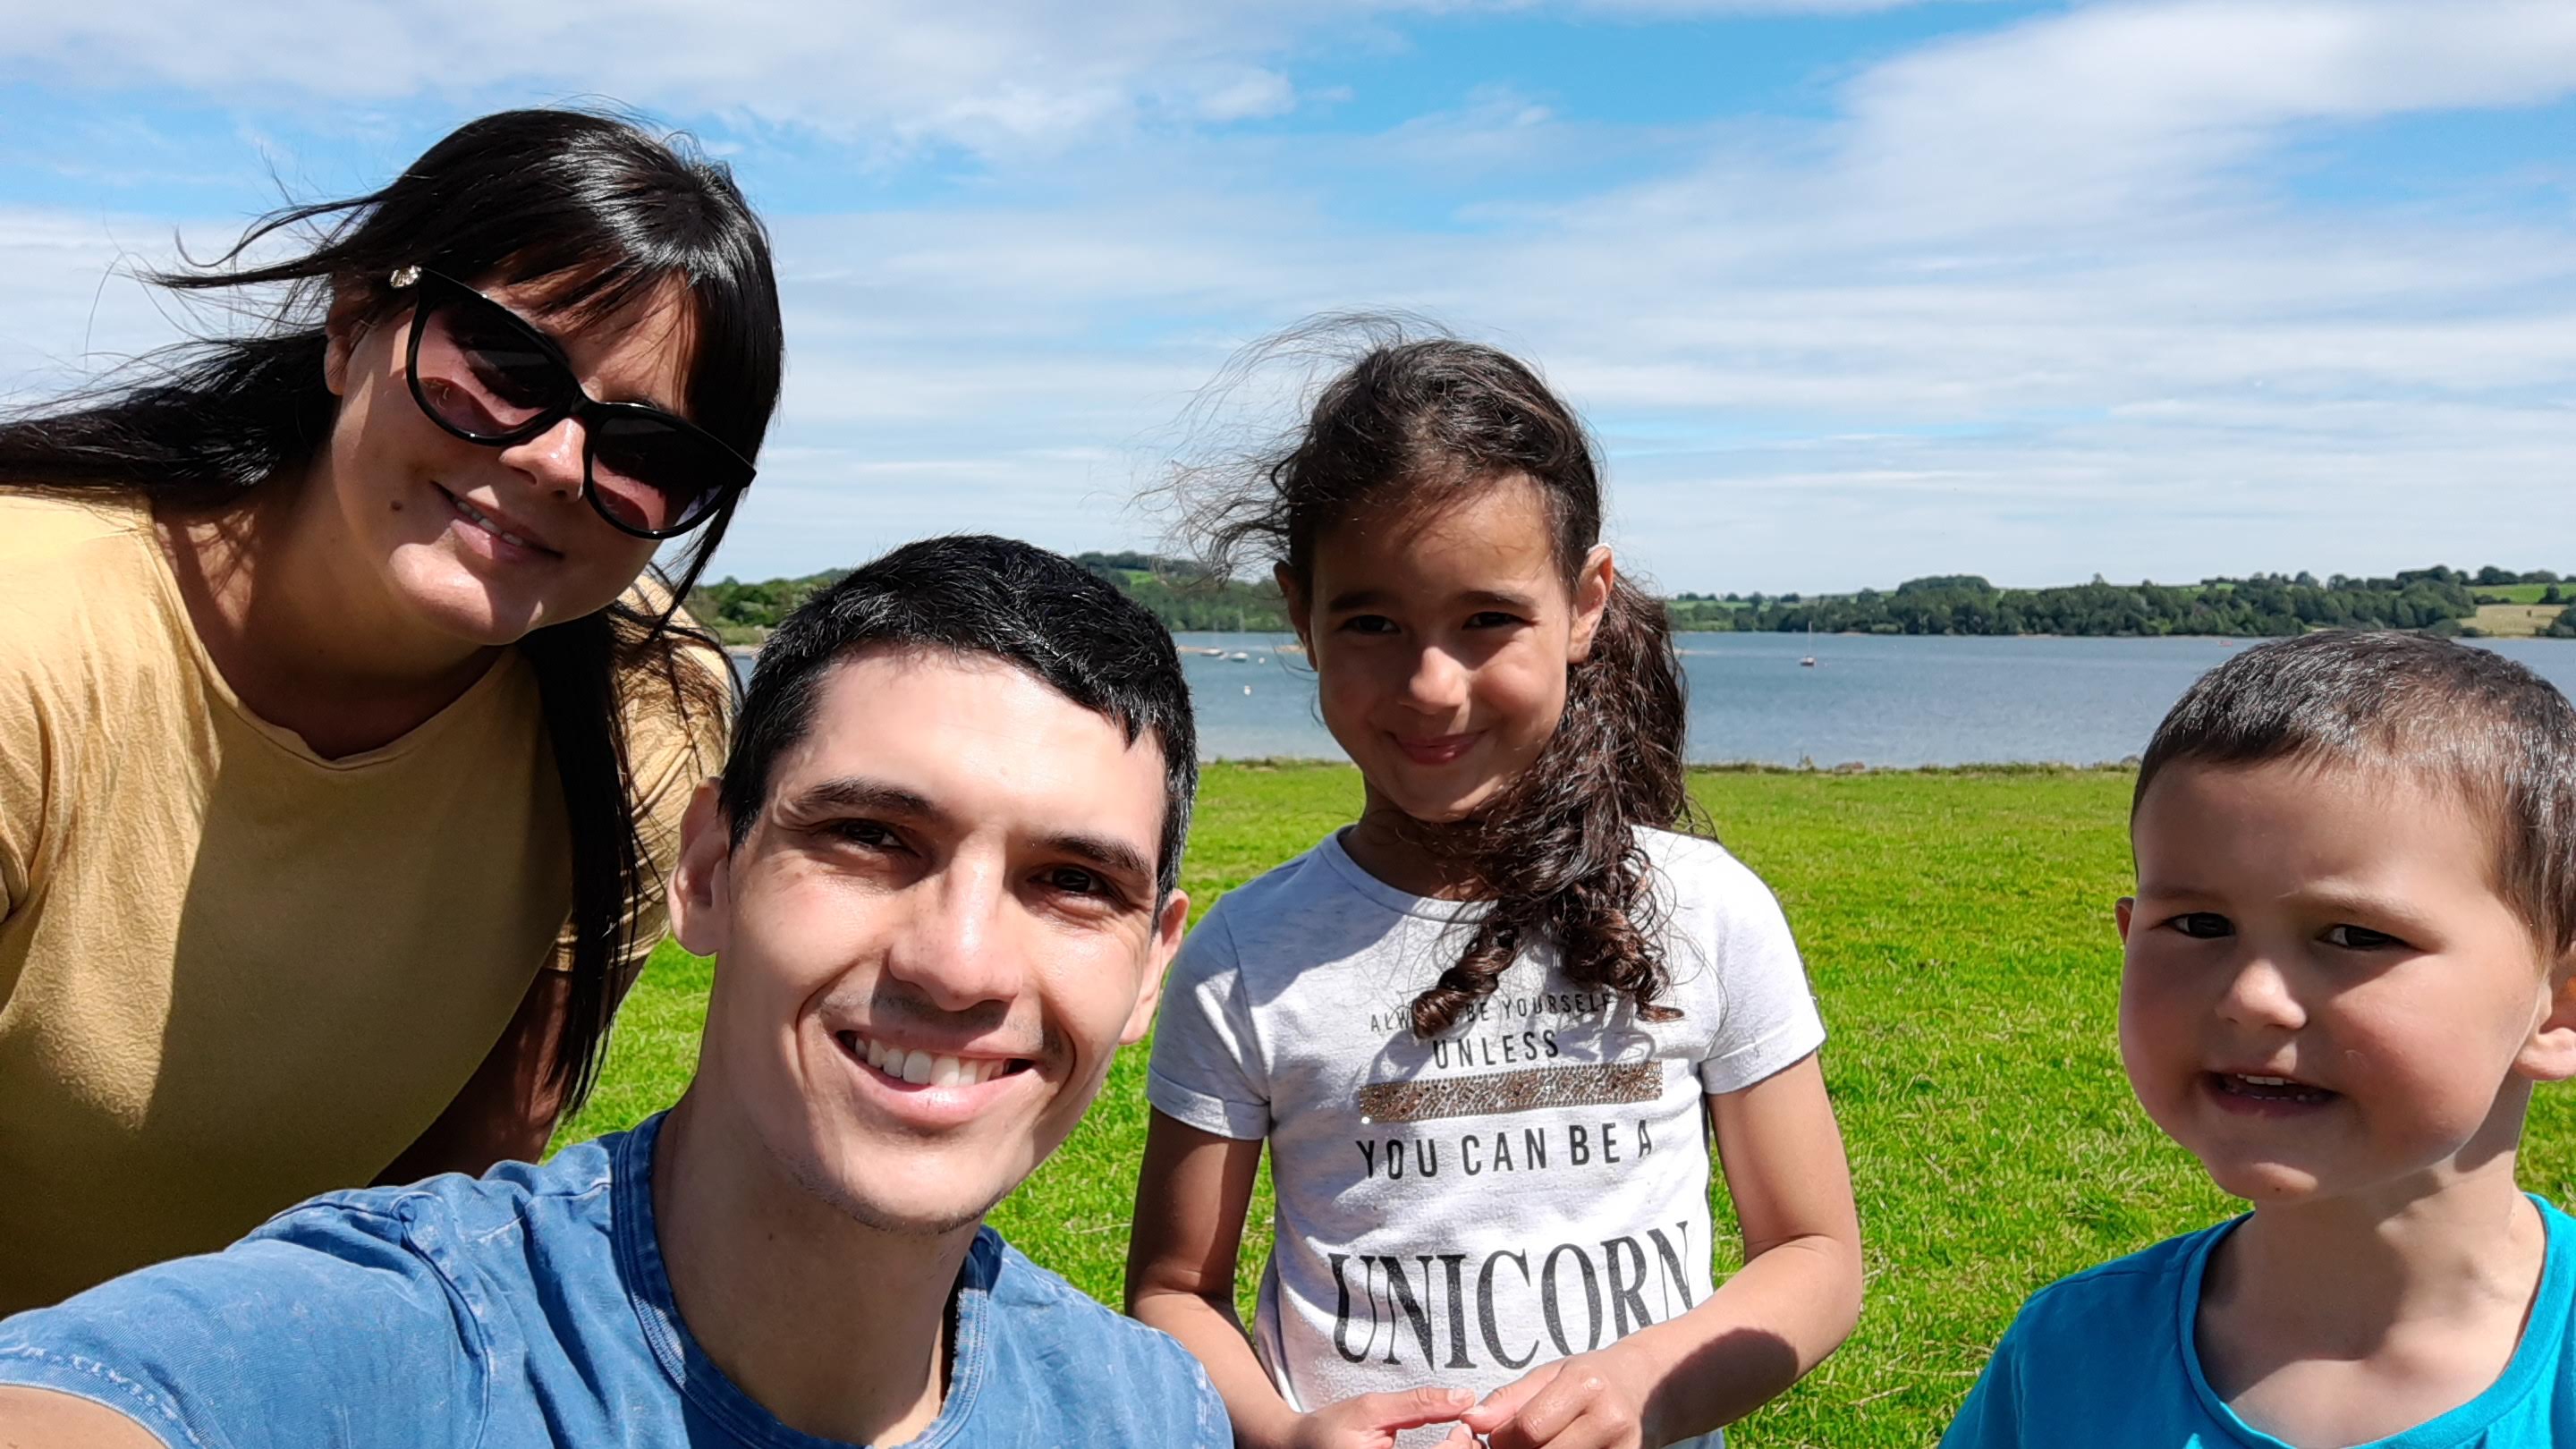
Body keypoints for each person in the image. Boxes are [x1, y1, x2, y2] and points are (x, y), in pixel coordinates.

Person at [0, 533, 1231, 1448]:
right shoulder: (408, 1342)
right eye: (869, 837)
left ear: (1148, 969)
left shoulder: (1142, 1410)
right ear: (706, 870)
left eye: (1072, 881)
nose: (959, 963)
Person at [0, 108, 780, 1311]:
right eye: (508, 368)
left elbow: (433, 1221)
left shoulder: (648, 720)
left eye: (646, 452)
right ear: (356, 320)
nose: (555, 463)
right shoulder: (30, 631)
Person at [1127, 329, 1864, 1449]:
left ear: (1585, 603)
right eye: (1371, 622)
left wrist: (1647, 1385)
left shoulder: (1712, 911)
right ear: (1299, 614)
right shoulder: (1247, 956)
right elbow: (1176, 1290)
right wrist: (1282, 1439)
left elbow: (1816, 1255)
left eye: (1487, 620)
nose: (1431, 684)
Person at [1943, 631, 2576, 1448]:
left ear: (2556, 1008)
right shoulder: (2069, 1353)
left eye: (2353, 936)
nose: (2252, 999)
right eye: (2201, 925)